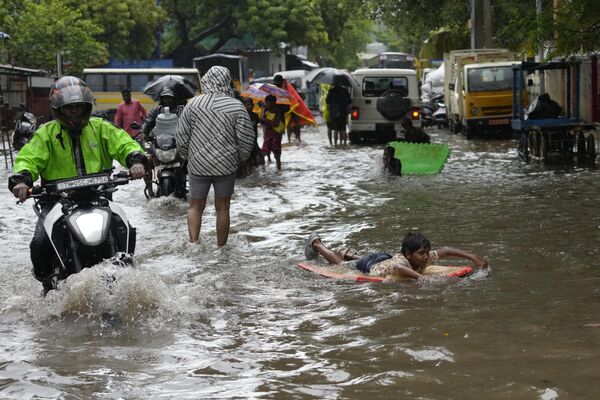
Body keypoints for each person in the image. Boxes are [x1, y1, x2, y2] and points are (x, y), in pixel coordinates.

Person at [8, 76, 147, 294]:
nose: (74, 113)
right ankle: (48, 283)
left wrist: (135, 159)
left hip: (98, 196)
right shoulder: (45, 133)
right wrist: (22, 180)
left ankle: (125, 268)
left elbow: (123, 143)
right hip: (56, 201)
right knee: (40, 242)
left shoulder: (101, 128)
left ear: (86, 107)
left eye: (78, 108)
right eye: (69, 109)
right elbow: (28, 158)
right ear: (58, 109)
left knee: (124, 227)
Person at [176, 66, 255, 246]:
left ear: (206, 80)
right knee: (223, 207)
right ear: (226, 81)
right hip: (226, 165)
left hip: (198, 165)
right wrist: (240, 158)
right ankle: (221, 247)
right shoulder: (236, 106)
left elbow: (181, 136)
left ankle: (193, 244)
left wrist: (186, 156)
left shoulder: (193, 104)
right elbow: (247, 137)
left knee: (195, 206)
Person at [304, 232, 488, 281]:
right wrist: (421, 278)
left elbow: (447, 250)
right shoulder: (402, 261)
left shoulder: (421, 256)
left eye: (426, 253)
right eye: (421, 253)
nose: (425, 257)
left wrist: (474, 258)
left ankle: (348, 253)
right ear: (409, 254)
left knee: (355, 259)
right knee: (339, 264)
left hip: (384, 258)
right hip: (370, 266)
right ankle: (317, 243)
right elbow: (400, 268)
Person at [141, 87, 187, 198]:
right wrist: (143, 133)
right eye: (165, 98)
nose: (167, 101)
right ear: (161, 99)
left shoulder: (181, 110)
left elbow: (188, 122)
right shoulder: (156, 111)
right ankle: (150, 190)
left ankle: (192, 188)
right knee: (145, 162)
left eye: (170, 98)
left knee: (191, 161)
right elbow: (148, 123)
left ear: (174, 99)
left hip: (178, 143)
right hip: (159, 144)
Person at [238, 96, 264, 177]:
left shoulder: (255, 115)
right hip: (245, 143)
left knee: (260, 159)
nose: (250, 106)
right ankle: (248, 176)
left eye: (251, 104)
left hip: (254, 142)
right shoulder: (241, 116)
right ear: (243, 106)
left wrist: (263, 109)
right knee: (247, 161)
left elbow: (262, 121)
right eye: (247, 105)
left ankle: (260, 175)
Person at [260, 94, 286, 170]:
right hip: (268, 136)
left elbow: (276, 123)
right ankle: (263, 171)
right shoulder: (266, 110)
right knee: (264, 153)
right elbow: (262, 122)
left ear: (273, 103)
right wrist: (263, 112)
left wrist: (266, 119)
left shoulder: (278, 111)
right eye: (266, 103)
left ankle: (279, 170)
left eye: (268, 103)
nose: (266, 104)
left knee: (277, 155)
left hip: (276, 136)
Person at [273, 74, 301, 142]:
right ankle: (291, 140)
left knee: (295, 126)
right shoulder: (274, 92)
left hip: (288, 113)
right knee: (290, 127)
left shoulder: (287, 91)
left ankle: (295, 139)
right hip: (280, 117)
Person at [326, 79, 352, 146]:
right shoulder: (345, 91)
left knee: (335, 129)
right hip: (343, 113)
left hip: (334, 113)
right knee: (343, 129)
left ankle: (335, 144)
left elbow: (327, 101)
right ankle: (344, 144)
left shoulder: (331, 91)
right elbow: (349, 101)